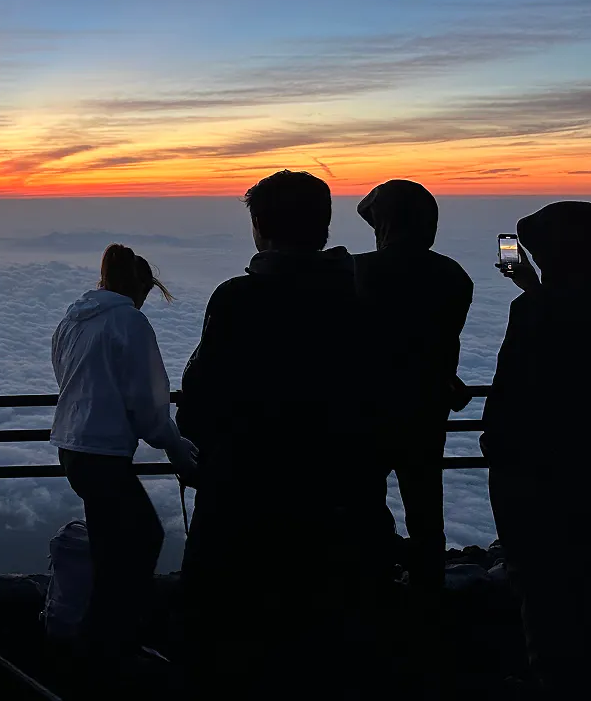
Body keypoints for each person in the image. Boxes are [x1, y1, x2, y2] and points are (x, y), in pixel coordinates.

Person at [176, 170, 382, 695]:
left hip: (245, 500)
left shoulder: (239, 299)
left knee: (235, 641)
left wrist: (196, 445)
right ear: (323, 224)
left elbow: (202, 395)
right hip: (340, 501)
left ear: (260, 228)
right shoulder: (361, 297)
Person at [482, 202, 591, 695]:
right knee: (588, 573)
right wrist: (534, 287)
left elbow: (515, 389)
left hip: (535, 473)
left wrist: (496, 444)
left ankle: (551, 678)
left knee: (541, 583)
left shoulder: (533, 309)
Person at [50, 244, 198, 667]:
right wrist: (175, 447)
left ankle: (98, 643)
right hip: (103, 454)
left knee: (111, 547)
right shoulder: (129, 322)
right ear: (140, 289)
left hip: (71, 447)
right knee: (142, 539)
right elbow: (148, 401)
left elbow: (67, 376)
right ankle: (111, 645)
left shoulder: (72, 320)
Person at [354, 180, 473, 593]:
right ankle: (429, 590)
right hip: (426, 411)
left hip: (365, 414)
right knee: (425, 509)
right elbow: (434, 342)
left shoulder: (356, 272)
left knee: (364, 504)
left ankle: (373, 585)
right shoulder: (453, 276)